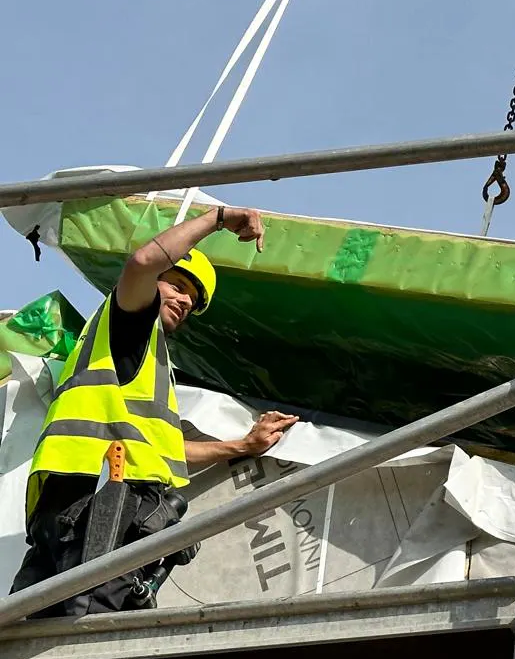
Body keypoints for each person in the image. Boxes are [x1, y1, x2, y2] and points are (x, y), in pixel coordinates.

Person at [9, 205, 299, 617]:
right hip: (103, 499)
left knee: (29, 631)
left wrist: (241, 445)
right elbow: (142, 263)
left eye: (193, 300)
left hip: (61, 509)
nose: (184, 301)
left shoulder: (128, 357)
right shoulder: (129, 323)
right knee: (90, 623)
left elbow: (162, 448)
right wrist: (218, 219)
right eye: (178, 285)